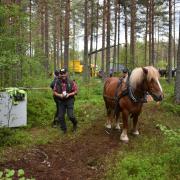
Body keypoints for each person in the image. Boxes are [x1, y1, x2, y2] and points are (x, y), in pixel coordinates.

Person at [53, 68, 78, 134]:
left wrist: (69, 94)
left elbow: (76, 91)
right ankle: (64, 129)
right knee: (60, 116)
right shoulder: (57, 82)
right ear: (60, 75)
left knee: (70, 116)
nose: (63, 75)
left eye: (64, 73)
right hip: (61, 101)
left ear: (67, 73)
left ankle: (75, 124)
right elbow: (54, 92)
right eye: (61, 74)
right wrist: (59, 95)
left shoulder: (71, 82)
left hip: (70, 100)